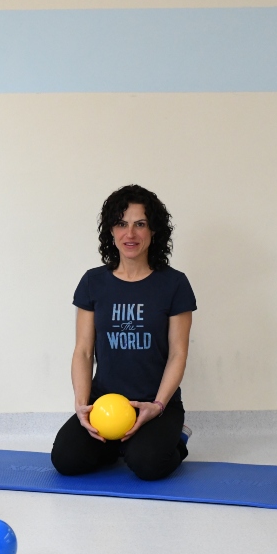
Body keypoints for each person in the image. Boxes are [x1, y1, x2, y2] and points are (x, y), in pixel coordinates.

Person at [50, 184, 196, 480]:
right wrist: (82, 405)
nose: (130, 234)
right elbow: (82, 351)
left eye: (140, 224)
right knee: (66, 460)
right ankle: (118, 444)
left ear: (154, 231)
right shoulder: (93, 282)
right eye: (121, 224)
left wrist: (157, 405)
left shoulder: (175, 284)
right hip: (104, 403)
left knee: (148, 465)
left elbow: (178, 353)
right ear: (111, 231)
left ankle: (175, 440)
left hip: (154, 403)